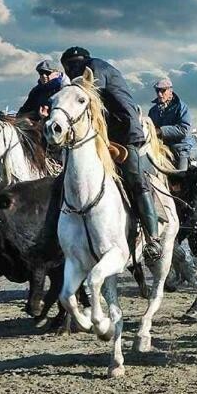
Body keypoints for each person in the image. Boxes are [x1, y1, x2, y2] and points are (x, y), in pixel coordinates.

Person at [60, 46, 162, 260]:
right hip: (102, 135)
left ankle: (153, 238)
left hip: (126, 132)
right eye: (69, 67)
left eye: (74, 65)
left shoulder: (96, 70)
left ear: (84, 62)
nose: (72, 70)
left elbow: (89, 97)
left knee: (136, 180)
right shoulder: (86, 74)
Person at [148, 78, 193, 171]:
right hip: (160, 149)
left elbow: (183, 130)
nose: (159, 94)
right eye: (157, 91)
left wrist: (160, 131)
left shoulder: (182, 107)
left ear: (170, 91)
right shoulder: (153, 111)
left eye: (163, 90)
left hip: (180, 148)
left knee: (181, 177)